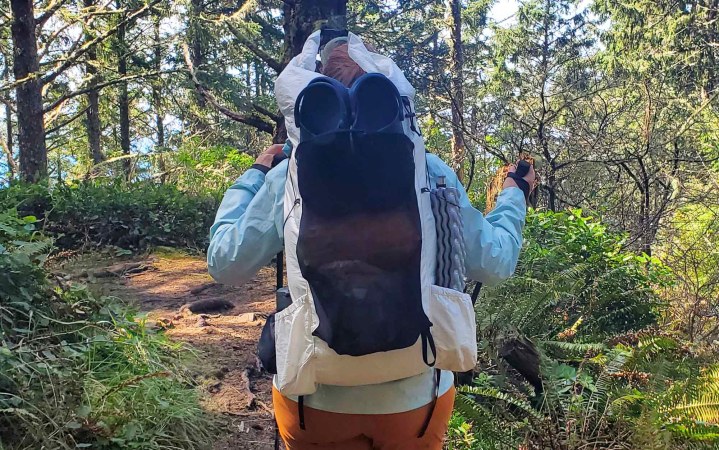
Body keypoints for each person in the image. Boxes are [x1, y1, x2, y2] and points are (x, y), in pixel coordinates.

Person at [207, 42, 535, 450]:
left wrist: (256, 173)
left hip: (313, 399)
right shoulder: (429, 173)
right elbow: (496, 262)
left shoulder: (288, 178)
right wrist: (514, 192)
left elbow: (224, 262)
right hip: (415, 401)